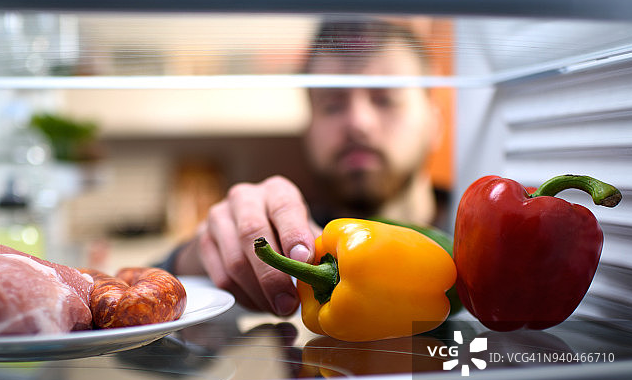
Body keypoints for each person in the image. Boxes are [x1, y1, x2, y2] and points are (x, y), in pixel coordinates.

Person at [165, 17, 448, 317]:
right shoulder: (291, 249)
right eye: (332, 105)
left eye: (385, 99)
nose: (358, 123)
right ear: (308, 127)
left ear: (435, 122)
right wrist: (197, 256)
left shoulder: (483, 241)